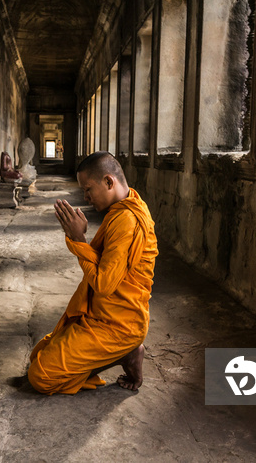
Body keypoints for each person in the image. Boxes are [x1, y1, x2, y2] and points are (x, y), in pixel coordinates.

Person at [28, 151, 158, 394]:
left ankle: (126, 352)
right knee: (38, 355)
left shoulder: (127, 220)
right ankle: (121, 353)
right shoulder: (128, 204)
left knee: (40, 377)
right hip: (101, 314)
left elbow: (104, 284)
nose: (86, 198)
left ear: (109, 182)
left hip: (120, 324)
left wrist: (78, 239)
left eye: (88, 189)